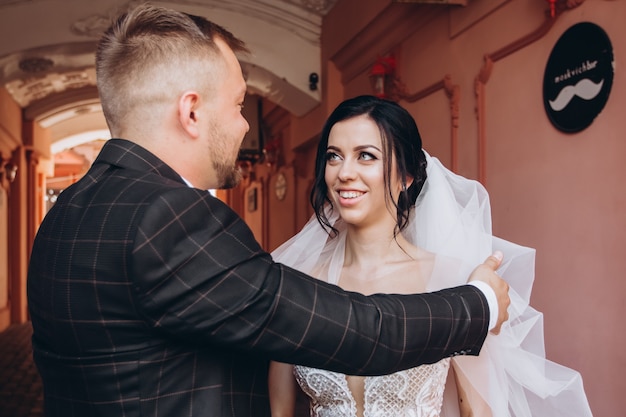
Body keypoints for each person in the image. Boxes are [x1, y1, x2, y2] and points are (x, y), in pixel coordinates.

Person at [26, 4, 511, 417]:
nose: (243, 127)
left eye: (367, 156)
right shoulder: (170, 219)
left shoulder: (64, 214)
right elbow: (361, 333)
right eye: (238, 104)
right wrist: (479, 303)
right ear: (191, 112)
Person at [268, 95, 593, 417]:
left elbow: (476, 411)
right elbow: (278, 411)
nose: (344, 173)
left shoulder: (456, 284)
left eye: (365, 156)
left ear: (406, 178)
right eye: (334, 156)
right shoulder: (296, 282)